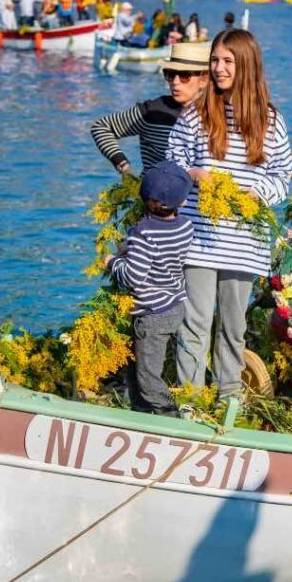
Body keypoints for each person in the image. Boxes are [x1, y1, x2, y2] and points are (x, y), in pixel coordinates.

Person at [166, 29, 292, 404]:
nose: (218, 69)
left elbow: (281, 177)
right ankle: (190, 401)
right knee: (195, 325)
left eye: (227, 61)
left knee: (233, 328)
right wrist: (191, 175)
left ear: (246, 65)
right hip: (199, 239)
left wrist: (260, 193)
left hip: (244, 243)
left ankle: (228, 402)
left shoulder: (270, 120)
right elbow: (173, 160)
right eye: (215, 60)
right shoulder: (196, 113)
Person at [106, 161, 195, 417]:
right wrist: (131, 251)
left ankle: (171, 418)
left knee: (147, 376)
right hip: (174, 305)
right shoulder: (185, 226)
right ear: (181, 202)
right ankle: (141, 416)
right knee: (137, 365)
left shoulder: (143, 233)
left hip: (151, 312)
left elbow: (134, 276)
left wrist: (113, 262)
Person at [91, 42, 211, 176]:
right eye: (170, 74)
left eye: (184, 75)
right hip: (154, 194)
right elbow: (101, 127)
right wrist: (123, 166)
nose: (175, 82)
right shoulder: (153, 111)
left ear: (204, 79)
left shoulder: (220, 114)